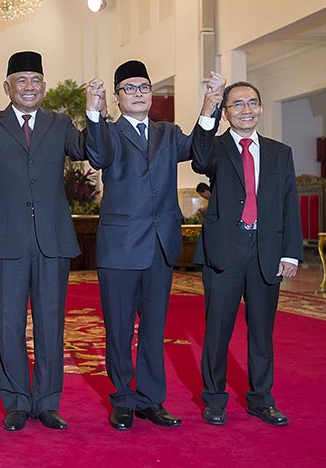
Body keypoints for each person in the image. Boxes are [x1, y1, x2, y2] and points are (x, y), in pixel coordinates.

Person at [0, 51, 87, 431]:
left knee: (50, 324)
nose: (29, 86)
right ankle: (15, 401)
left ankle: (46, 402)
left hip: (52, 241)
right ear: (7, 87)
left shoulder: (60, 123)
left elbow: (88, 150)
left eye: (35, 80)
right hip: (5, 241)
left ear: (44, 87)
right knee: (8, 324)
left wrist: (95, 112)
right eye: (21, 80)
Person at [84, 61, 220, 430]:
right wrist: (93, 114)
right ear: (117, 97)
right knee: (119, 327)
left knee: (154, 328)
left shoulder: (168, 132)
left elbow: (199, 151)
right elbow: (96, 155)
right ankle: (123, 399)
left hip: (161, 244)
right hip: (120, 247)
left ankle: (150, 399)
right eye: (129, 88)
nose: (139, 93)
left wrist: (209, 109)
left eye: (143, 87)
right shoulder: (108, 133)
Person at [191, 80, 303, 427]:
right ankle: (214, 399)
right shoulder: (216, 148)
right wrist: (208, 108)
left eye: (252, 103)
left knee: (261, 331)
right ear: (226, 112)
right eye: (237, 104)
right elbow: (198, 158)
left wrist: (291, 254)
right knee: (218, 330)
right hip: (226, 249)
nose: (246, 110)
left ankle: (261, 399)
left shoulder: (279, 152)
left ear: (261, 108)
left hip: (266, 251)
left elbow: (290, 205)